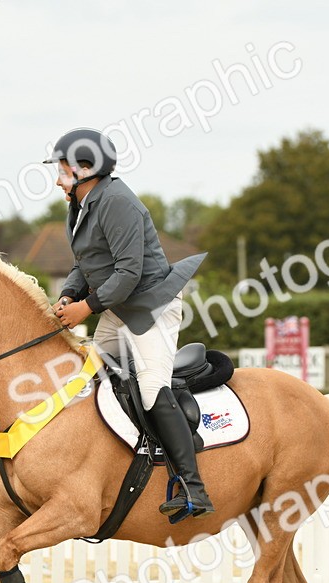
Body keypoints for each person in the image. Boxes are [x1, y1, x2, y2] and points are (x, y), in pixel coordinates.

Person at [46, 128, 213, 519]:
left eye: (63, 171)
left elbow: (128, 271)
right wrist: (68, 295)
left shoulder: (117, 202)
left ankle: (194, 488)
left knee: (152, 389)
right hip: (120, 306)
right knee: (90, 374)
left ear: (87, 169)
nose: (57, 180)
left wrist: (86, 308)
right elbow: (84, 264)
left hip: (152, 306)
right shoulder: (82, 205)